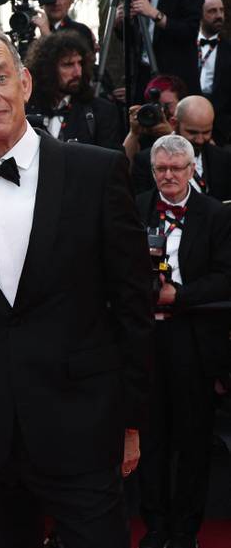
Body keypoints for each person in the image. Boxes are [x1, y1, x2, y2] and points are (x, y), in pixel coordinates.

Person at [0, 27, 153, 548]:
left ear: (24, 83)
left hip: (85, 426)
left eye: (0, 77)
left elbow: (133, 306)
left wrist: (131, 421)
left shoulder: (97, 171)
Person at [133, 134, 231, 548]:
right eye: (161, 169)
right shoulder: (135, 208)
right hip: (146, 341)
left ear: (192, 169)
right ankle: (155, 526)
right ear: (152, 170)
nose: (169, 175)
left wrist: (181, 296)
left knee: (193, 441)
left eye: (176, 168)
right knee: (150, 439)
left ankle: (186, 531)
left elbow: (226, 276)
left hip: (193, 340)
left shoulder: (215, 214)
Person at [116, 0, 203, 104]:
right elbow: (131, 40)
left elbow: (189, 31)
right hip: (142, 77)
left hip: (175, 80)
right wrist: (120, 22)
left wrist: (154, 14)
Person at [25, 32, 122, 149]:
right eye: (68, 65)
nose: (78, 72)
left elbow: (112, 158)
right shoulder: (26, 110)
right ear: (47, 69)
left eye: (80, 63)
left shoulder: (101, 111)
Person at [132, 96, 231, 202]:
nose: (200, 140)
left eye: (206, 132)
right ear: (174, 123)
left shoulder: (223, 159)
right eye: (192, 132)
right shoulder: (146, 161)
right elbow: (143, 205)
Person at [124, 74, 186, 162]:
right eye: (156, 105)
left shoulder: (188, 127)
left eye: (167, 105)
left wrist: (171, 134)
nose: (162, 111)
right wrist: (133, 133)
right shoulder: (145, 127)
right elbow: (124, 165)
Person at [32, 0, 96, 52]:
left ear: (70, 1)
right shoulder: (31, 29)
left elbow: (69, 58)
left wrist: (47, 35)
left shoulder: (81, 31)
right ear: (41, 1)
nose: (56, 3)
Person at [200, 0, 230, 146]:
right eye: (212, 11)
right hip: (186, 118)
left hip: (221, 127)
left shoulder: (228, 49)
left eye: (221, 10)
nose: (219, 15)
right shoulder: (183, 46)